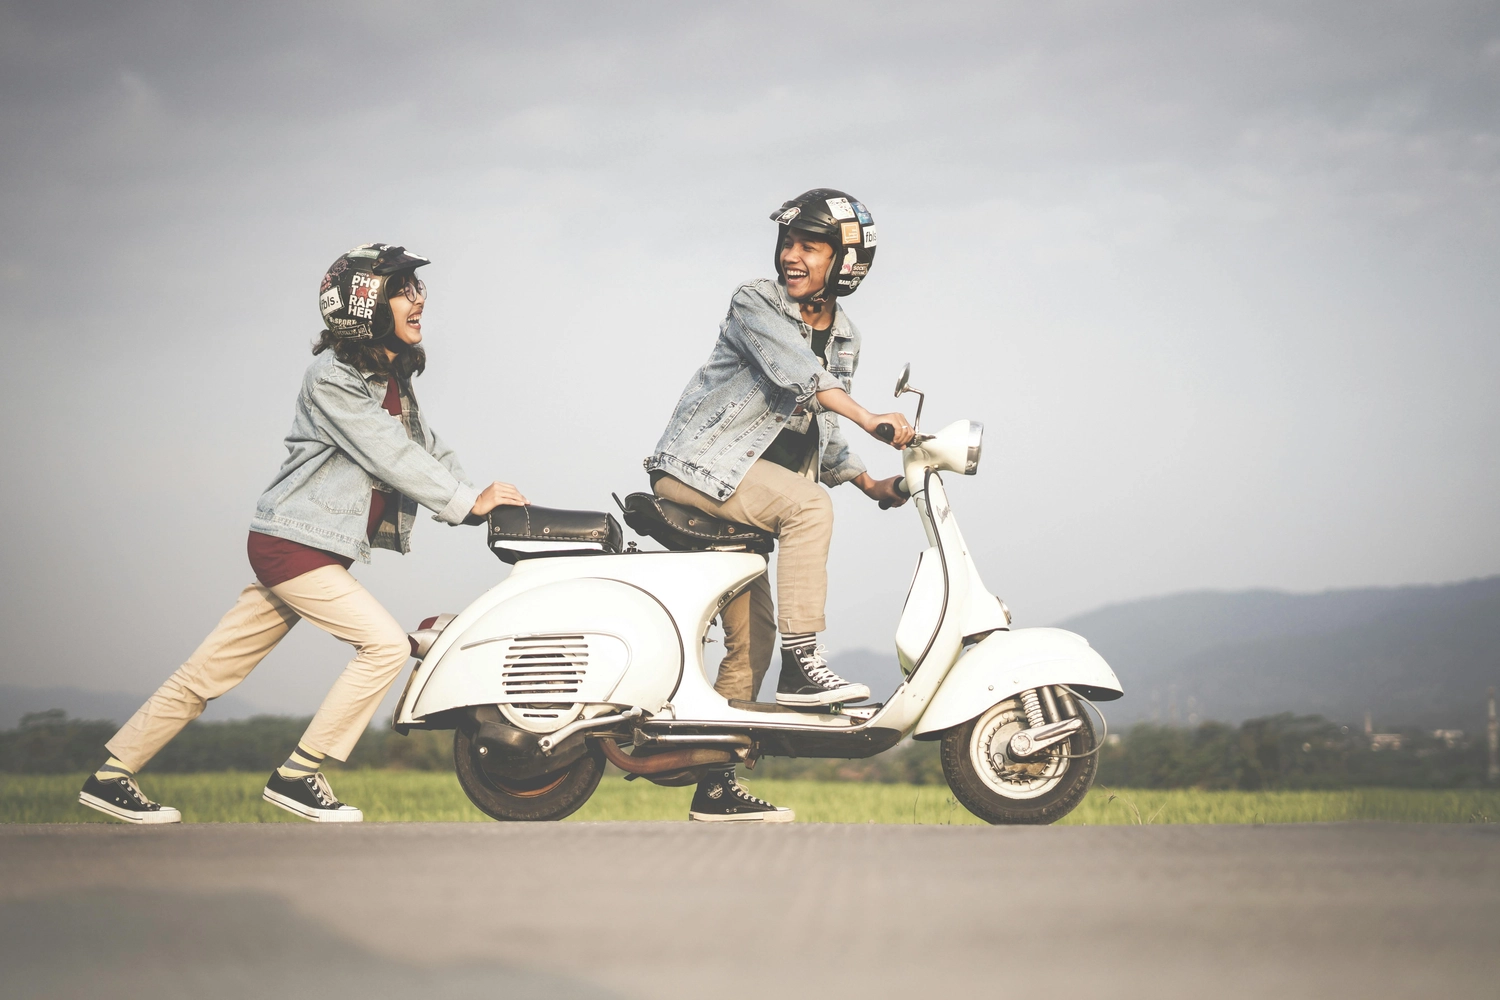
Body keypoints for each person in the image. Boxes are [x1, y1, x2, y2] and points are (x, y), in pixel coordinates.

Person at [79, 243, 527, 824]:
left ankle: (111, 775)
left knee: (213, 669)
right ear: (365, 305)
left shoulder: (385, 377)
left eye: (418, 287)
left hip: (308, 550)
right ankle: (299, 774)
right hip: (291, 546)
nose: (419, 298)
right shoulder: (332, 379)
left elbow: (424, 447)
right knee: (386, 646)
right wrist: (467, 504)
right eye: (403, 289)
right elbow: (390, 454)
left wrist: (484, 501)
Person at [646, 189, 914, 822]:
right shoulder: (754, 301)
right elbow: (802, 379)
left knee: (751, 643)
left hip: (746, 489)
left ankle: (714, 787)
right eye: (788, 243)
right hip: (699, 468)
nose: (792, 256)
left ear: (846, 262)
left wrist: (870, 482)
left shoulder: (844, 335)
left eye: (809, 246)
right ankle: (804, 665)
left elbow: (823, 430)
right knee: (808, 508)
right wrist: (873, 416)